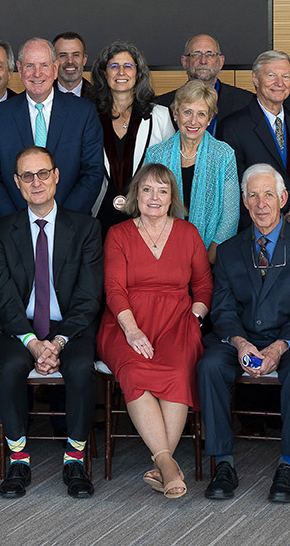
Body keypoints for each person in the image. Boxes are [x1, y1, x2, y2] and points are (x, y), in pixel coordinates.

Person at [199, 165, 290, 503]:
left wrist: (277, 347)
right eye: (253, 195)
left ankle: (289, 465)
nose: (261, 203)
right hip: (240, 336)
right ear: (244, 201)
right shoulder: (228, 250)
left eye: (268, 194)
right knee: (209, 365)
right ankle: (222, 463)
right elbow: (222, 308)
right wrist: (241, 343)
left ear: (283, 198)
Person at [0, 147, 105, 499]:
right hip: (18, 328)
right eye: (27, 176)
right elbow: (3, 295)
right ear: (17, 183)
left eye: (43, 174)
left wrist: (57, 342)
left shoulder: (85, 228)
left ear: (56, 176)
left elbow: (88, 297)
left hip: (69, 328)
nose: (36, 182)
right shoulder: (1, 230)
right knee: (10, 367)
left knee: (81, 368)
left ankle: (75, 459)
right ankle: (18, 459)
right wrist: (33, 342)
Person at [97, 164, 212, 499]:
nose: (154, 197)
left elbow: (204, 285)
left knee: (178, 371)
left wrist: (194, 318)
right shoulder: (118, 234)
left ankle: (162, 464)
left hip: (178, 321)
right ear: (136, 194)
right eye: (147, 189)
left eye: (163, 190)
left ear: (172, 197)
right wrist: (132, 331)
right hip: (126, 322)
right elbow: (114, 289)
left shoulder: (188, 233)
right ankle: (167, 463)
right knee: (134, 372)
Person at [0, 38, 105, 219]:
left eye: (44, 65)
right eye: (30, 66)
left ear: (55, 68)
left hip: (71, 224)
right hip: (13, 225)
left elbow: (92, 173)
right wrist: (16, 223)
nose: (37, 74)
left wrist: (63, 221)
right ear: (19, 69)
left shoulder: (83, 113)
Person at [216, 50, 290, 238]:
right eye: (271, 75)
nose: (279, 83)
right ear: (255, 79)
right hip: (258, 228)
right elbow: (231, 193)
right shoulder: (233, 127)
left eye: (285, 76)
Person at [142, 80, 239, 248]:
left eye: (201, 114)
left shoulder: (224, 154)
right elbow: (147, 206)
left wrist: (213, 252)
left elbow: (230, 215)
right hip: (162, 248)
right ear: (175, 114)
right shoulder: (155, 154)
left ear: (209, 119)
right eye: (187, 112)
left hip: (211, 251)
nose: (193, 121)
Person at [88, 41, 176, 227]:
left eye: (128, 66)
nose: (121, 72)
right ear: (104, 73)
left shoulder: (160, 116)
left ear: (138, 72)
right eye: (114, 66)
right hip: (97, 213)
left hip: (146, 215)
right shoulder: (89, 115)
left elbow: (170, 171)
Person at [154, 34, 255, 137]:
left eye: (210, 54)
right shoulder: (161, 105)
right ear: (185, 62)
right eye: (196, 54)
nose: (203, 61)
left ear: (220, 62)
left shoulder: (247, 102)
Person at [53, 32, 92, 97]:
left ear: (84, 60)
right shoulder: (42, 95)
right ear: (53, 60)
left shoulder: (99, 97)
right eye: (63, 55)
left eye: (76, 55)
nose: (70, 61)